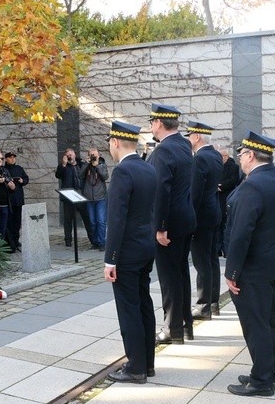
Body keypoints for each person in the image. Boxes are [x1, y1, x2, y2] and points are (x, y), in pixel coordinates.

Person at [224, 131, 275, 397]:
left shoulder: (253, 185)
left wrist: (232, 272)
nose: (240, 159)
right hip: (272, 262)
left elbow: (241, 233)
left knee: (256, 324)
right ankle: (266, 371)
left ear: (250, 155)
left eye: (241, 154)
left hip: (252, 267)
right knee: (268, 322)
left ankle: (262, 380)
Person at [104, 121, 158, 384]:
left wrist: (109, 259)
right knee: (144, 303)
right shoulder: (148, 168)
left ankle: (136, 366)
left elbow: (116, 220)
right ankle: (147, 362)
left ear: (115, 142)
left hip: (127, 251)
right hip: (146, 246)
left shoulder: (123, 172)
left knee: (129, 309)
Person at [147, 104, 197, 345]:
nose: (150, 126)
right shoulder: (184, 145)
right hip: (185, 219)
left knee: (169, 277)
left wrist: (160, 227)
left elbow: (160, 192)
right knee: (181, 274)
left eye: (151, 121)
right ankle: (185, 324)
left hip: (171, 224)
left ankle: (172, 329)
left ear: (158, 123)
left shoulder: (163, 151)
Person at [186, 121, 223, 321]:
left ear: (197, 136)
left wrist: (189, 219)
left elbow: (195, 194)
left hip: (201, 217)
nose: (189, 139)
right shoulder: (215, 155)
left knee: (202, 262)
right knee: (211, 259)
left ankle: (203, 305)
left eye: (190, 135)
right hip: (213, 213)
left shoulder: (200, 158)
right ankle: (214, 301)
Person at [55, 148, 93, 247]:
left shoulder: (81, 164)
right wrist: (63, 164)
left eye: (71, 155)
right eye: (67, 155)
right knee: (68, 219)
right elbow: (58, 175)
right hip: (69, 195)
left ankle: (92, 238)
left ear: (74, 155)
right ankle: (68, 240)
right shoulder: (63, 166)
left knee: (86, 218)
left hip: (81, 193)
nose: (70, 157)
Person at [78, 147, 109, 251]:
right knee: (92, 222)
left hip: (100, 197)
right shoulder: (86, 166)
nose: (93, 157)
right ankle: (94, 242)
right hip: (89, 198)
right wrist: (86, 164)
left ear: (98, 155)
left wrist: (97, 166)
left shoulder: (102, 165)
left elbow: (105, 177)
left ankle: (102, 242)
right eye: (91, 155)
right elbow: (80, 175)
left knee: (100, 221)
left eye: (94, 155)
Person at [217, 146, 240, 259]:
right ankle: (217, 249)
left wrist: (222, 186)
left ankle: (226, 250)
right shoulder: (217, 166)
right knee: (218, 225)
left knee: (225, 225)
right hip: (217, 196)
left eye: (221, 156)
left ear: (226, 157)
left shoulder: (233, 167)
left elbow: (233, 180)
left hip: (226, 196)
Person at [3, 150, 29, 251]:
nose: (12, 159)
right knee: (9, 222)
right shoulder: (4, 169)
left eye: (14, 157)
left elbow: (26, 179)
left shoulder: (19, 168)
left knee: (17, 222)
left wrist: (23, 181)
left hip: (18, 199)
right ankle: (10, 242)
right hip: (8, 199)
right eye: (10, 157)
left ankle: (16, 240)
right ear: (6, 159)